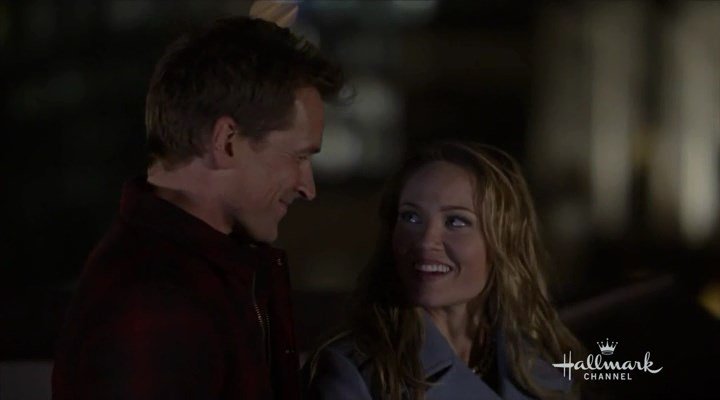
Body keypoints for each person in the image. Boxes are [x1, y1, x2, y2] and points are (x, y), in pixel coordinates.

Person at [52, 16, 344, 400]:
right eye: (299, 156)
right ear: (226, 142)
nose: (308, 188)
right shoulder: (155, 304)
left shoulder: (213, 273)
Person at [304, 141, 583, 400]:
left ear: (503, 242)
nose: (426, 241)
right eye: (411, 217)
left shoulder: (543, 365)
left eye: (456, 222)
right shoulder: (354, 371)